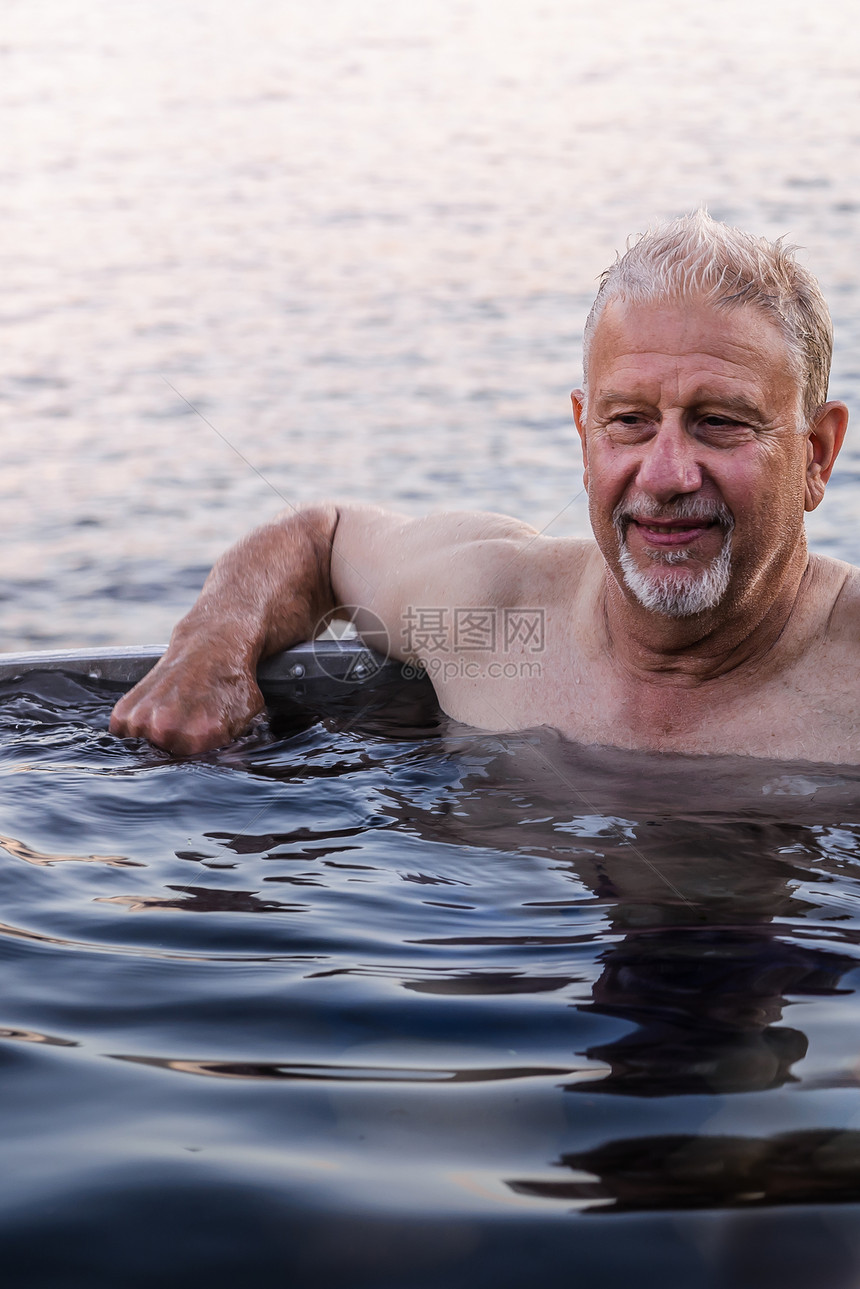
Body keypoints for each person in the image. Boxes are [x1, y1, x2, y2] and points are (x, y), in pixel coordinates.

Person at [110, 211, 857, 763]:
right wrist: (208, 650)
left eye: (720, 422)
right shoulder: (494, 616)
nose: (664, 474)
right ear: (583, 432)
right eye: (628, 420)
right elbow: (321, 537)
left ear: (817, 455)